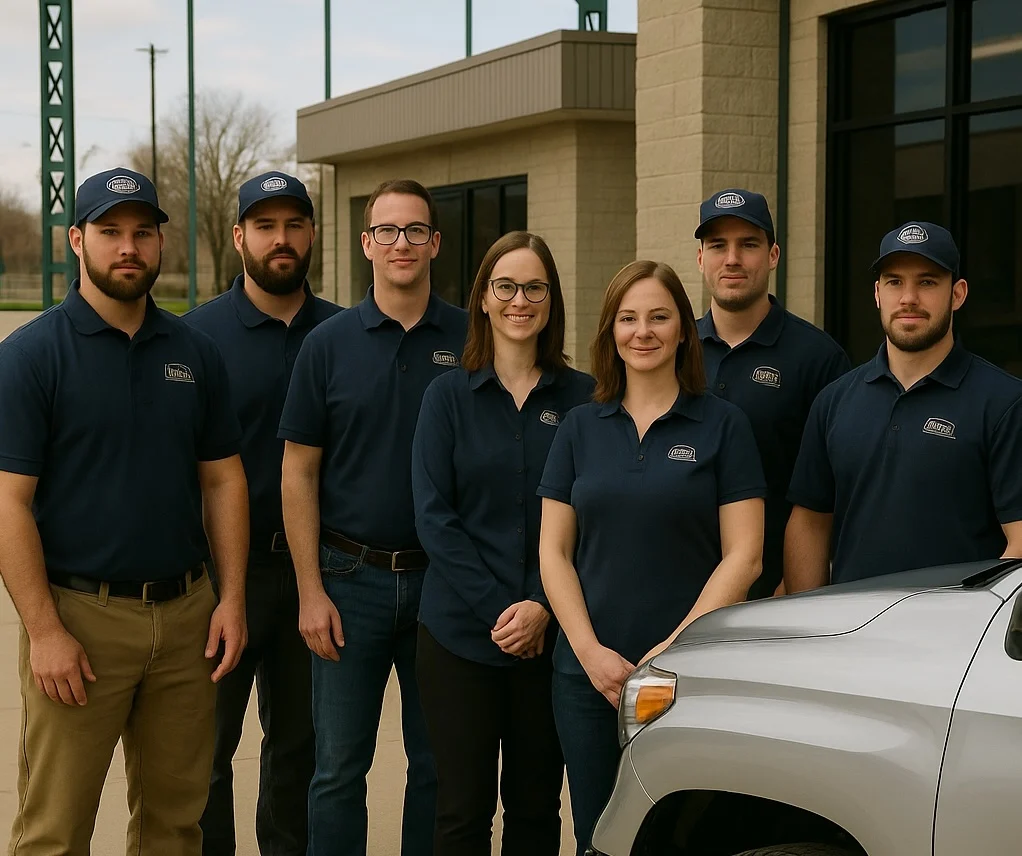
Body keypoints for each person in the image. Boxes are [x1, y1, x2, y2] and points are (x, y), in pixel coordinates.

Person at [0, 167, 248, 856]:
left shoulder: (196, 355)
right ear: (77, 240)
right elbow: (7, 505)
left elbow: (224, 482)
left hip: (186, 621)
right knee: (54, 830)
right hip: (80, 624)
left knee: (174, 826)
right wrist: (44, 630)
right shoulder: (30, 357)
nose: (128, 247)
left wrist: (230, 600)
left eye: (142, 232)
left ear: (161, 243)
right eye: (110, 232)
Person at [537, 260, 766, 856]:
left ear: (684, 331)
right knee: (598, 835)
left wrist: (671, 651)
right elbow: (553, 552)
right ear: (610, 331)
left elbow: (745, 556)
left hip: (689, 674)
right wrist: (589, 654)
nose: (643, 331)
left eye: (659, 317)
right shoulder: (580, 427)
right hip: (588, 677)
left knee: (686, 837)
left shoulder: (724, 425)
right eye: (628, 318)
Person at [279, 179, 468, 856]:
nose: (401, 244)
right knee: (337, 770)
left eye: (415, 230)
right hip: (346, 581)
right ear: (365, 244)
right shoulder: (327, 344)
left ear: (435, 243)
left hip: (443, 590)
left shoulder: (472, 338)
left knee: (438, 768)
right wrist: (310, 590)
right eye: (386, 231)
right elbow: (297, 471)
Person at [411, 231, 593, 856]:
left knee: (537, 811)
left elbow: (592, 518)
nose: (521, 300)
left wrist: (543, 605)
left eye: (534, 287)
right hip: (460, 638)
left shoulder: (585, 401)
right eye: (506, 286)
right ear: (484, 300)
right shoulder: (447, 398)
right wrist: (501, 609)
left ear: (552, 300)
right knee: (460, 814)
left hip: (552, 640)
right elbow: (435, 518)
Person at [185, 171, 342, 856]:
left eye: (295, 225)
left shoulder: (344, 334)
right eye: (266, 225)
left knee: (299, 753)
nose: (282, 240)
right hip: (222, 580)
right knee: (204, 753)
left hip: (317, 574)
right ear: (239, 234)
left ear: (312, 234)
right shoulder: (194, 338)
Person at [784, 221, 1022, 593]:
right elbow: (811, 523)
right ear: (877, 294)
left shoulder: (1005, 403)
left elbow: (1019, 542)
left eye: (927, 282)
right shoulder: (834, 401)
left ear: (957, 294)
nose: (908, 298)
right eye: (895, 281)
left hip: (952, 640)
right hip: (848, 634)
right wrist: (804, 622)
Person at [695, 189, 850, 599]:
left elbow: (834, 490)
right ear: (700, 259)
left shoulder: (818, 359)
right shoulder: (673, 349)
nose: (732, 259)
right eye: (718, 246)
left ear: (773, 255)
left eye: (748, 244)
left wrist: (796, 586)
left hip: (774, 596)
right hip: (676, 591)